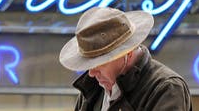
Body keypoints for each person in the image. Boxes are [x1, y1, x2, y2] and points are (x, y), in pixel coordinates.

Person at [59, 6, 192, 111]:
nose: (92, 73)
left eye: (98, 63)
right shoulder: (92, 90)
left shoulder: (166, 88)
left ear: (126, 53)